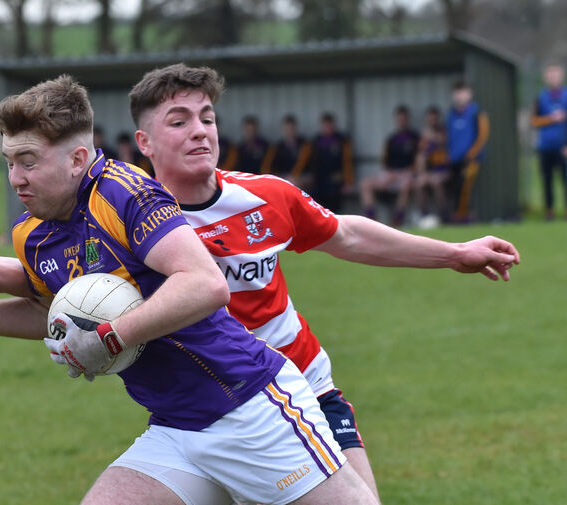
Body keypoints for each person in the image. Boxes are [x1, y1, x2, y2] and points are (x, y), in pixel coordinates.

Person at [0, 75, 379, 505]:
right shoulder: (33, 231)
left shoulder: (126, 193)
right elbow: (62, 314)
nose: (16, 178)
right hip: (175, 427)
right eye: (9, 162)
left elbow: (205, 284)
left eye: (28, 161)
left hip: (249, 409)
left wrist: (111, 338)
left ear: (78, 158)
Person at [129, 63, 521, 503]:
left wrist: (455, 253)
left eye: (208, 118)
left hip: (303, 390)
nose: (200, 131)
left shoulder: (264, 195)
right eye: (179, 122)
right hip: (202, 411)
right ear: (144, 142)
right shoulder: (128, 227)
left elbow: (346, 235)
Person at [359, 105, 419, 226]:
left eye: (404, 119)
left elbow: (418, 161)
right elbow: (385, 162)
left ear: (407, 119)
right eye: (399, 119)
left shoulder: (415, 137)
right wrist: (388, 175)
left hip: (406, 174)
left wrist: (400, 174)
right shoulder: (391, 139)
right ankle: (371, 220)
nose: (401, 122)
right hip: (391, 174)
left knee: (406, 185)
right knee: (365, 184)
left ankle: (398, 220)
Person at [446, 80, 489, 222]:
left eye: (463, 92)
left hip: (470, 160)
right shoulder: (451, 114)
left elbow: (483, 136)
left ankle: (464, 216)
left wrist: (472, 153)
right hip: (454, 160)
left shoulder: (477, 112)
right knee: (455, 188)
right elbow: (449, 137)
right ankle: (459, 216)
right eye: (457, 92)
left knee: (465, 187)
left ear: (470, 93)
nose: (460, 96)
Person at [530, 64, 567, 220]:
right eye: (550, 75)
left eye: (556, 75)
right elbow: (534, 121)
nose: (553, 78)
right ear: (545, 78)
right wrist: (551, 119)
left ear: (561, 76)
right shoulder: (540, 98)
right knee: (547, 181)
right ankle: (549, 211)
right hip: (545, 147)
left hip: (563, 147)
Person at [302, 113, 354, 213]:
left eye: (329, 125)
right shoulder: (316, 141)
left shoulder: (341, 140)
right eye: (324, 125)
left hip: (335, 179)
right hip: (319, 179)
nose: (327, 128)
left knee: (333, 197)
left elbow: (347, 162)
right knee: (316, 198)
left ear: (333, 125)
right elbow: (307, 161)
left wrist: (348, 182)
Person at [414, 106, 451, 221]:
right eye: (430, 119)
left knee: (436, 182)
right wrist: (422, 173)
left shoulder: (444, 132)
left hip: (444, 171)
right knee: (420, 182)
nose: (432, 121)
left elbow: (443, 143)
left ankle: (444, 215)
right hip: (430, 172)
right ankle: (424, 215)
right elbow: (421, 156)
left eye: (434, 119)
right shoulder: (424, 137)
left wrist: (432, 137)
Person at [261, 114, 311, 182]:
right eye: (287, 129)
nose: (289, 132)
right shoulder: (276, 147)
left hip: (300, 176)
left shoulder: (304, 145)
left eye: (291, 129)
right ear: (283, 129)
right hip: (283, 176)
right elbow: (268, 167)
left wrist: (293, 177)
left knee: (295, 181)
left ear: (295, 129)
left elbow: (304, 166)